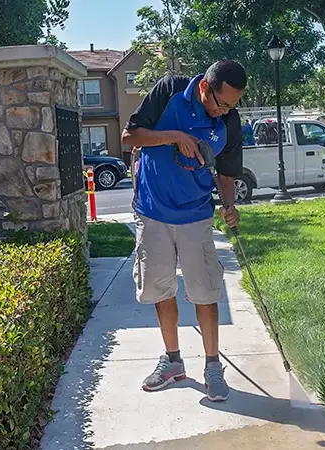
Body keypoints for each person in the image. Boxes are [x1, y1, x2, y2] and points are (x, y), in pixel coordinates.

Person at [121, 60, 246, 402]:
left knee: (205, 291)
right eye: (222, 103)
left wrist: (230, 206)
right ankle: (173, 361)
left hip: (196, 214)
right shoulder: (169, 91)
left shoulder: (229, 121)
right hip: (153, 211)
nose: (225, 112)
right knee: (161, 288)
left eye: (232, 105)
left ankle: (213, 366)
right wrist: (175, 137)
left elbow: (227, 172)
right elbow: (130, 136)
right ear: (205, 87)